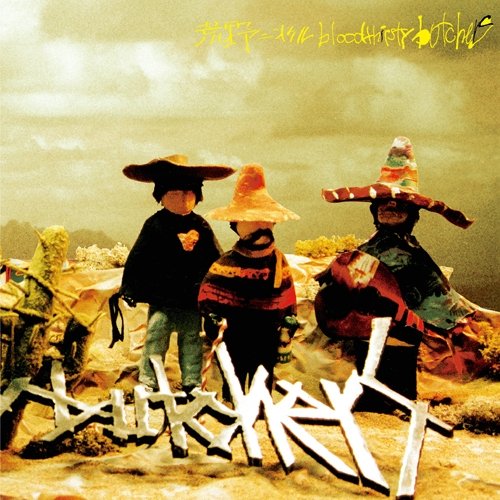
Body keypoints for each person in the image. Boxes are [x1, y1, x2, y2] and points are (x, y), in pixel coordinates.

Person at [315, 136, 497, 408]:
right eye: (384, 203)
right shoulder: (367, 251)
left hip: (410, 341)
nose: (390, 207)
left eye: (400, 204)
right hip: (373, 336)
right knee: (379, 381)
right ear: (374, 210)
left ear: (413, 214)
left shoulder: (413, 252)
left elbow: (437, 299)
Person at [115, 154, 235, 393]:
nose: (182, 197)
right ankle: (149, 379)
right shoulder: (154, 225)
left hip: (191, 300)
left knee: (191, 340)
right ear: (161, 195)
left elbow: (215, 258)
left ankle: (191, 380)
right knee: (155, 337)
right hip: (162, 299)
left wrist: (221, 287)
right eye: (175, 192)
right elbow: (138, 257)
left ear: (197, 196)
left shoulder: (201, 225)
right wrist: (129, 288)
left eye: (188, 192)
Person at [198, 164, 300, 401]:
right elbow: (209, 293)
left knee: (262, 375)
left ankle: (261, 407)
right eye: (252, 221)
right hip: (235, 332)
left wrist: (289, 318)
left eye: (266, 221)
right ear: (236, 224)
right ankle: (232, 406)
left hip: (267, 332)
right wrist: (211, 316)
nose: (261, 226)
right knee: (233, 371)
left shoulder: (279, 262)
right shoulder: (226, 263)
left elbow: (287, 294)